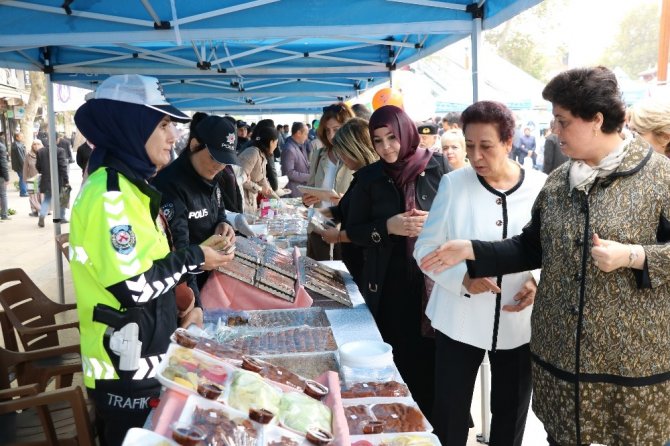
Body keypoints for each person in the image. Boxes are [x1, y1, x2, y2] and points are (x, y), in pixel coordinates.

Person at [424, 66, 670, 445]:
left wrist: (634, 256)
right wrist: (472, 250)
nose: (554, 131)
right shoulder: (558, 183)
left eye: (562, 121)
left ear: (597, 120)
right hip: (560, 362)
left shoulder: (659, 178)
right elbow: (530, 247)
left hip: (628, 364)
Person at [71, 74, 234, 445]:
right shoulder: (109, 195)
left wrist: (187, 302)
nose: (173, 136)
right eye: (162, 125)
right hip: (123, 368)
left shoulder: (132, 188)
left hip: (147, 356)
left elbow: (154, 262)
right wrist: (197, 256)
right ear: (132, 126)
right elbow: (132, 286)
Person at [415, 101, 547, 446]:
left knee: (511, 413)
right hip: (458, 319)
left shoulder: (542, 187)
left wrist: (538, 280)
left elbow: (553, 251)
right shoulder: (453, 184)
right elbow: (425, 249)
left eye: (485, 146)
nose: (476, 156)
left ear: (508, 142)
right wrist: (462, 277)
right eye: (470, 146)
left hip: (518, 322)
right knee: (450, 413)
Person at [346, 105, 447, 419]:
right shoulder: (369, 178)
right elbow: (353, 230)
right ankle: (396, 423)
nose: (386, 147)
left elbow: (459, 218)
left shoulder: (439, 168)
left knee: (433, 364)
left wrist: (434, 221)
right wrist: (386, 228)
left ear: (407, 134)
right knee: (396, 359)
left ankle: (428, 427)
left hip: (434, 281)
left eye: (392, 137)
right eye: (378, 140)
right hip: (388, 281)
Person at [152, 115, 240, 328]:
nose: (219, 166)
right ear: (194, 145)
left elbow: (218, 209)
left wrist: (223, 224)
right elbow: (179, 249)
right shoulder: (170, 185)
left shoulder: (212, 176)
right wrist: (196, 304)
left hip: (212, 280)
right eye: (214, 158)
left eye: (224, 160)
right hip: (183, 289)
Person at [316, 117, 378, 291]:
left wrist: (338, 236)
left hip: (368, 269)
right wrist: (325, 213)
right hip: (357, 264)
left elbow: (376, 229)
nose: (341, 158)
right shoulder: (361, 176)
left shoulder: (374, 180)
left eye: (343, 152)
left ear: (356, 149)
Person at [304, 103, 356, 260]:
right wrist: (306, 199)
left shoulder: (357, 157)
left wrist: (346, 201)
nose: (331, 135)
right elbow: (311, 187)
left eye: (337, 129)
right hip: (318, 228)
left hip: (346, 232)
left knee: (345, 280)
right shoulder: (319, 154)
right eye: (327, 130)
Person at [238, 125, 279, 211]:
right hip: (242, 202)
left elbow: (263, 181)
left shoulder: (262, 155)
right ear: (271, 142)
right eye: (276, 143)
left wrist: (279, 201)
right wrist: (259, 189)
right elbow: (240, 179)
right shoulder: (252, 153)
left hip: (251, 202)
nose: (276, 146)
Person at [35, 137, 69, 227]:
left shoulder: (40, 151)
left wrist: (42, 172)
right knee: (63, 198)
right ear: (57, 140)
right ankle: (61, 217)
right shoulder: (60, 151)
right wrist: (66, 180)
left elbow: (38, 166)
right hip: (59, 179)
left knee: (47, 199)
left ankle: (42, 215)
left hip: (46, 179)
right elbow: (63, 167)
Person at [280, 121, 310, 197]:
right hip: (294, 191)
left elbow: (303, 163)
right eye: (306, 134)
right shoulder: (289, 148)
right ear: (299, 133)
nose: (307, 137)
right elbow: (289, 173)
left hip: (300, 190)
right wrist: (310, 177)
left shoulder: (300, 146)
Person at [23, 139, 42, 216]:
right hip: (31, 177)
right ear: (32, 146)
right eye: (34, 144)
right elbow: (25, 167)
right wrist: (25, 178)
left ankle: (43, 209)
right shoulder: (28, 155)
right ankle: (34, 210)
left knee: (41, 194)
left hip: (42, 177)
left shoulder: (44, 153)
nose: (36, 146)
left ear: (41, 145)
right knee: (32, 194)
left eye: (38, 144)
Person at [11, 132, 28, 197]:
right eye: (21, 136)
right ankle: (23, 192)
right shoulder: (17, 145)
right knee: (23, 178)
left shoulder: (18, 144)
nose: (22, 137)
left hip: (19, 166)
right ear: (16, 137)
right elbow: (21, 157)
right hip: (20, 166)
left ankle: (24, 191)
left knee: (22, 178)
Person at [0, 134, 9, 220]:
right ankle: (4, 214)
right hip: (1, 176)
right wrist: (7, 177)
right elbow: (3, 163)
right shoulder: (1, 146)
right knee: (3, 194)